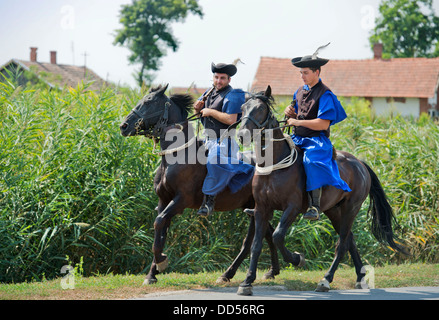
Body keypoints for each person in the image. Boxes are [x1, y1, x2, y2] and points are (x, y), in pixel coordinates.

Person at [285, 46, 351, 221]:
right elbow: (299, 114)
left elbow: (322, 124)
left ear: (317, 72)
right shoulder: (299, 91)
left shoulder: (325, 95)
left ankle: (314, 206)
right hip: (297, 137)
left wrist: (297, 121)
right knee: (273, 151)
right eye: (301, 73)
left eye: (305, 73)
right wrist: (291, 114)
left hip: (316, 140)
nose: (302, 76)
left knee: (311, 160)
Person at [194, 62, 254, 216]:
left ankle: (209, 202)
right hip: (207, 138)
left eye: (222, 78)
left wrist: (210, 111)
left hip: (224, 141)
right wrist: (197, 109)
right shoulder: (209, 92)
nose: (218, 81)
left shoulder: (233, 96)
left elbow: (231, 120)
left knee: (214, 161)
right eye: (216, 77)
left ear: (229, 80)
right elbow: (201, 114)